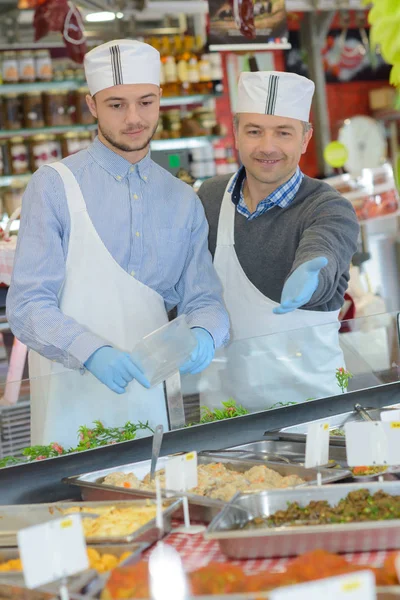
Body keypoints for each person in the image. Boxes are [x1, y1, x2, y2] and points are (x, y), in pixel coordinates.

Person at [6, 39, 229, 447]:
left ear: (161, 99)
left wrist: (206, 333)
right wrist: (91, 351)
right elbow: (27, 306)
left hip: (154, 404)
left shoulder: (182, 199)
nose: (133, 118)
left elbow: (204, 298)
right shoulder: (54, 185)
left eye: (145, 102)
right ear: (92, 105)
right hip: (69, 403)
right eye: (116, 105)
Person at [197, 70, 359, 412]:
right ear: (236, 131)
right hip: (225, 419)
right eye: (254, 131)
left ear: (304, 138)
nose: (267, 147)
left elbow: (323, 249)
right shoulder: (210, 198)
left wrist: (311, 278)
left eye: (283, 133)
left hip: (312, 419)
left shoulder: (329, 207)